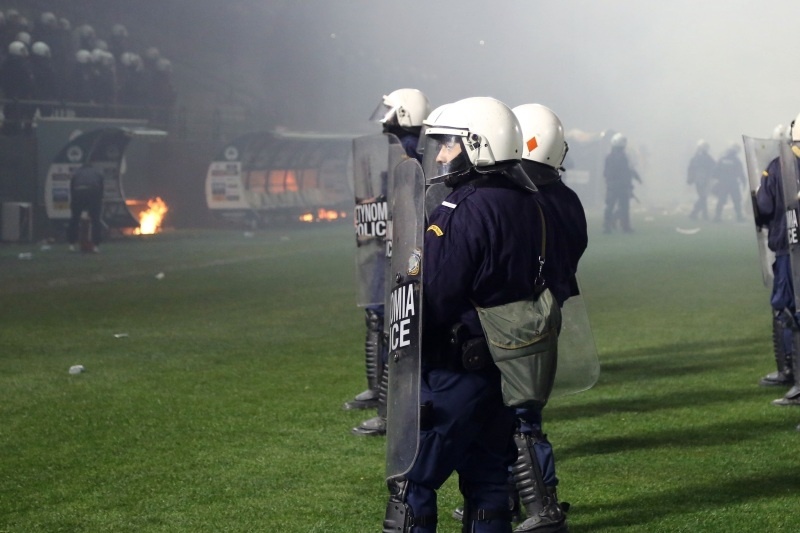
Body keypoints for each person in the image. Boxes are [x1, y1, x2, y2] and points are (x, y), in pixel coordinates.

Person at [382, 96, 558, 532]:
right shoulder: (529, 201)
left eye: (449, 145)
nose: (441, 155)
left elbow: (436, 294)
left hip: (455, 372)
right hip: (504, 367)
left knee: (412, 482)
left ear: (477, 145)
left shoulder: (463, 208)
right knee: (488, 488)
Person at [504, 103, 587, 533]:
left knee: (521, 416)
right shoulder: (566, 198)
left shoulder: (519, 198)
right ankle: (511, 500)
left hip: (518, 315)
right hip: (547, 309)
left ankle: (541, 507)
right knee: (521, 412)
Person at [349, 88, 430, 437]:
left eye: (391, 110)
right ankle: (380, 397)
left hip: (398, 248)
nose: (385, 116)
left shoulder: (408, 150)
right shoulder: (402, 146)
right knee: (382, 320)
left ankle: (389, 410)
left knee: (392, 326)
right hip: (391, 244)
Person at [757, 114, 800, 406]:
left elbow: (764, 205)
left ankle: (792, 374)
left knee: (786, 309)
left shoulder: (778, 165)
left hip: (789, 246)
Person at [603, 132, 640, 233]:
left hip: (616, 185)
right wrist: (631, 182)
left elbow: (607, 173)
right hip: (619, 186)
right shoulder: (623, 157)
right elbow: (628, 171)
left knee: (615, 207)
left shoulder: (611, 157)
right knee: (621, 207)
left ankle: (609, 227)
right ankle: (623, 227)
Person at [67, 162, 105, 253]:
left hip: (78, 193)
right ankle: (96, 245)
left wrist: (73, 202)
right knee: (96, 220)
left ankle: (71, 244)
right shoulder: (97, 172)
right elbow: (101, 187)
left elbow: (71, 188)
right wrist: (99, 200)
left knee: (74, 219)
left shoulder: (77, 172)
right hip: (93, 193)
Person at [713, 144, 746, 222]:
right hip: (733, 183)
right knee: (736, 200)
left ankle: (717, 217)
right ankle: (739, 216)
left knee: (721, 200)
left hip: (723, 182)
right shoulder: (736, 160)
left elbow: (715, 171)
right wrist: (744, 182)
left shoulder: (722, 159)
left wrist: (719, 179)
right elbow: (740, 172)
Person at [687, 140, 716, 221]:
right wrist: (690, 178)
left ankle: (701, 214)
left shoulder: (698, 157)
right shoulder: (701, 157)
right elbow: (691, 169)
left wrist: (690, 178)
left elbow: (691, 169)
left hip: (703, 180)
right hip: (702, 180)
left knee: (703, 197)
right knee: (703, 197)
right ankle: (695, 213)